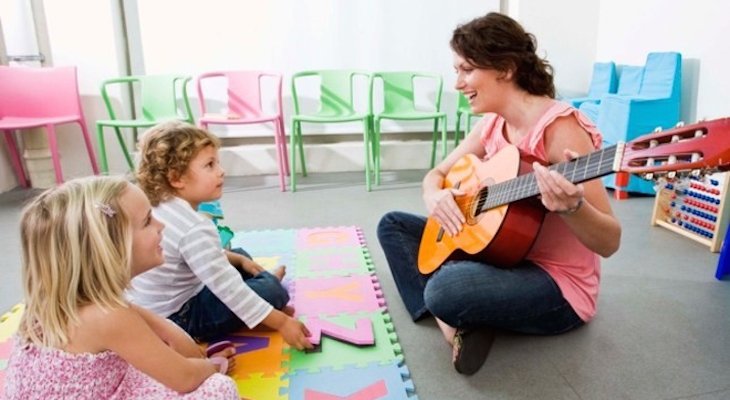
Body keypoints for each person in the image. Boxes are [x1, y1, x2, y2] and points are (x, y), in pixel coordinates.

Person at [377, 12, 621, 376]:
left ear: (504, 68)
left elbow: (610, 241)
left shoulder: (560, 129)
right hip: (504, 255)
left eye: (466, 70)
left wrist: (573, 208)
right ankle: (458, 326)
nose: (458, 83)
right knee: (391, 225)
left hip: (556, 285)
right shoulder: (493, 122)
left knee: (444, 289)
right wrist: (434, 196)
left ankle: (458, 311)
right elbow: (437, 174)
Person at [4, 176, 239, 399]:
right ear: (111, 250)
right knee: (219, 388)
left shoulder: (50, 304)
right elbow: (186, 376)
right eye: (148, 220)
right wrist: (209, 368)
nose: (161, 225)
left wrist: (192, 362)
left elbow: (177, 344)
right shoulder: (109, 316)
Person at [129, 121, 313, 351]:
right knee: (273, 291)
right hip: (180, 319)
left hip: (159, 307)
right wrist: (282, 322)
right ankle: (264, 300)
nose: (221, 171)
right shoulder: (194, 227)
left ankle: (259, 297)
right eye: (210, 165)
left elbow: (195, 256)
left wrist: (237, 260)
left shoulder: (160, 207)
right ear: (177, 178)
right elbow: (228, 289)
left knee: (238, 255)